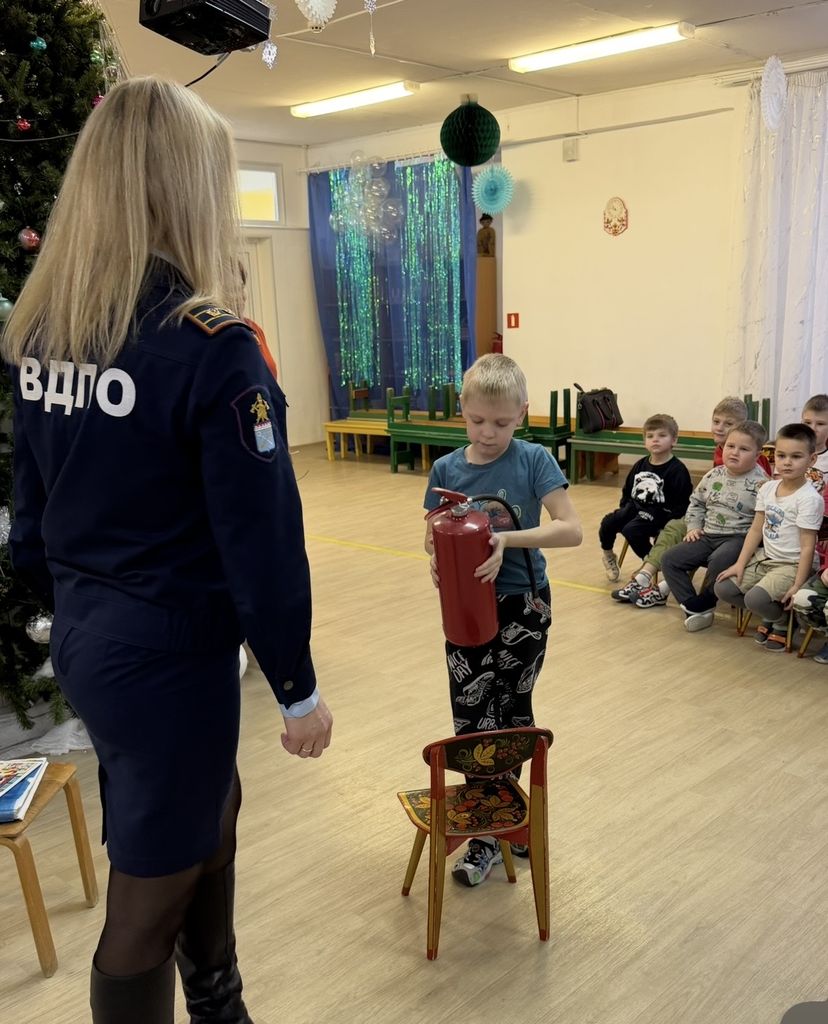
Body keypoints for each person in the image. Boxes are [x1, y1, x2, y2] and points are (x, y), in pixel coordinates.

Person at [3, 77, 332, 1024]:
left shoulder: (50, 329)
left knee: (208, 813)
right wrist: (296, 686)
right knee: (147, 899)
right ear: (191, 187)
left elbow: (31, 513)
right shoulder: (211, 345)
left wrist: (83, 609)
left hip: (95, 634)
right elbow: (262, 539)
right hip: (167, 653)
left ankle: (221, 1006)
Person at [423, 354, 581, 887]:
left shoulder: (534, 459)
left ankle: (511, 823)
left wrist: (504, 540)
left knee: (512, 712)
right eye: (476, 420)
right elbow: (432, 532)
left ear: (523, 414)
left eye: (502, 422)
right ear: (462, 409)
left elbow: (571, 529)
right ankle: (487, 832)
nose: (488, 433)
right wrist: (435, 558)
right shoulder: (447, 469)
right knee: (472, 716)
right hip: (465, 606)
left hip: (523, 604)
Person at [611, 396, 771, 607]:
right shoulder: (720, 455)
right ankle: (646, 577)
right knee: (676, 529)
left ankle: (665, 588)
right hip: (709, 517)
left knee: (685, 533)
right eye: (716, 422)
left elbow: (762, 506)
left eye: (728, 424)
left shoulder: (755, 466)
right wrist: (696, 522)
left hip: (736, 528)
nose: (720, 428)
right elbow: (702, 498)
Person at [714, 424, 823, 651]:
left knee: (754, 599)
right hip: (765, 558)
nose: (787, 462)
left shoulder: (809, 498)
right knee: (723, 589)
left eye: (796, 457)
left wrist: (797, 584)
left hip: (793, 564)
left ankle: (782, 621)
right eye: (781, 456)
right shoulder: (768, 488)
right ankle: (775, 613)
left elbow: (807, 546)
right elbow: (756, 530)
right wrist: (740, 563)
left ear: (811, 460)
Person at [660, 421, 768, 632]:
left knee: (720, 559)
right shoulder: (713, 475)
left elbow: (763, 521)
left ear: (757, 455)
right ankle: (695, 607)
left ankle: (707, 599)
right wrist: (693, 526)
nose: (734, 452)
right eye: (730, 446)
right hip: (707, 534)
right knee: (669, 559)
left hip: (738, 538)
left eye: (744, 449)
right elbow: (696, 503)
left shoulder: (763, 484)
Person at [599, 414, 692, 582]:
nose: (655, 440)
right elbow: (628, 490)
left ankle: (649, 565)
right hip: (635, 509)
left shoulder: (677, 470)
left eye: (662, 435)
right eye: (650, 436)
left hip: (660, 514)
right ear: (645, 441)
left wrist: (667, 520)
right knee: (608, 522)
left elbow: (682, 503)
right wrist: (625, 509)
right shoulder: (640, 465)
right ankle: (608, 555)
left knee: (631, 530)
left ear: (674, 440)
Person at [797, 393, 828, 661]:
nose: (813, 429)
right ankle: (779, 620)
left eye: (820, 424)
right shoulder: (791, 453)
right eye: (808, 422)